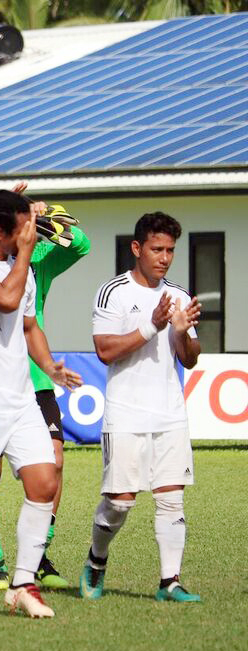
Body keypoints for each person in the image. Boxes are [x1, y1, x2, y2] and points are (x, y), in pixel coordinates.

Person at [0, 189, 81, 620]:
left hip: (22, 399)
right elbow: (5, 299)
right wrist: (23, 256)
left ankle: (23, 584)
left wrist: (50, 367)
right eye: (26, 225)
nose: (33, 232)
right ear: (1, 230)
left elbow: (28, 326)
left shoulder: (19, 268)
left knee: (44, 483)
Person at [80, 212, 201, 603]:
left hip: (170, 413)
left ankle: (170, 582)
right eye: (157, 249)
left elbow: (191, 358)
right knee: (120, 502)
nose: (164, 257)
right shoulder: (113, 292)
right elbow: (104, 351)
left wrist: (182, 333)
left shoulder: (179, 295)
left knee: (171, 497)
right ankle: (97, 559)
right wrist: (151, 325)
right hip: (126, 412)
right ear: (137, 248)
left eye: (170, 250)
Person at [0, 184, 92, 592]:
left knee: (55, 463)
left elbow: (81, 244)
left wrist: (40, 217)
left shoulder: (38, 259)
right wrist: (7, 204)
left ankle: (39, 553)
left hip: (36, 379)